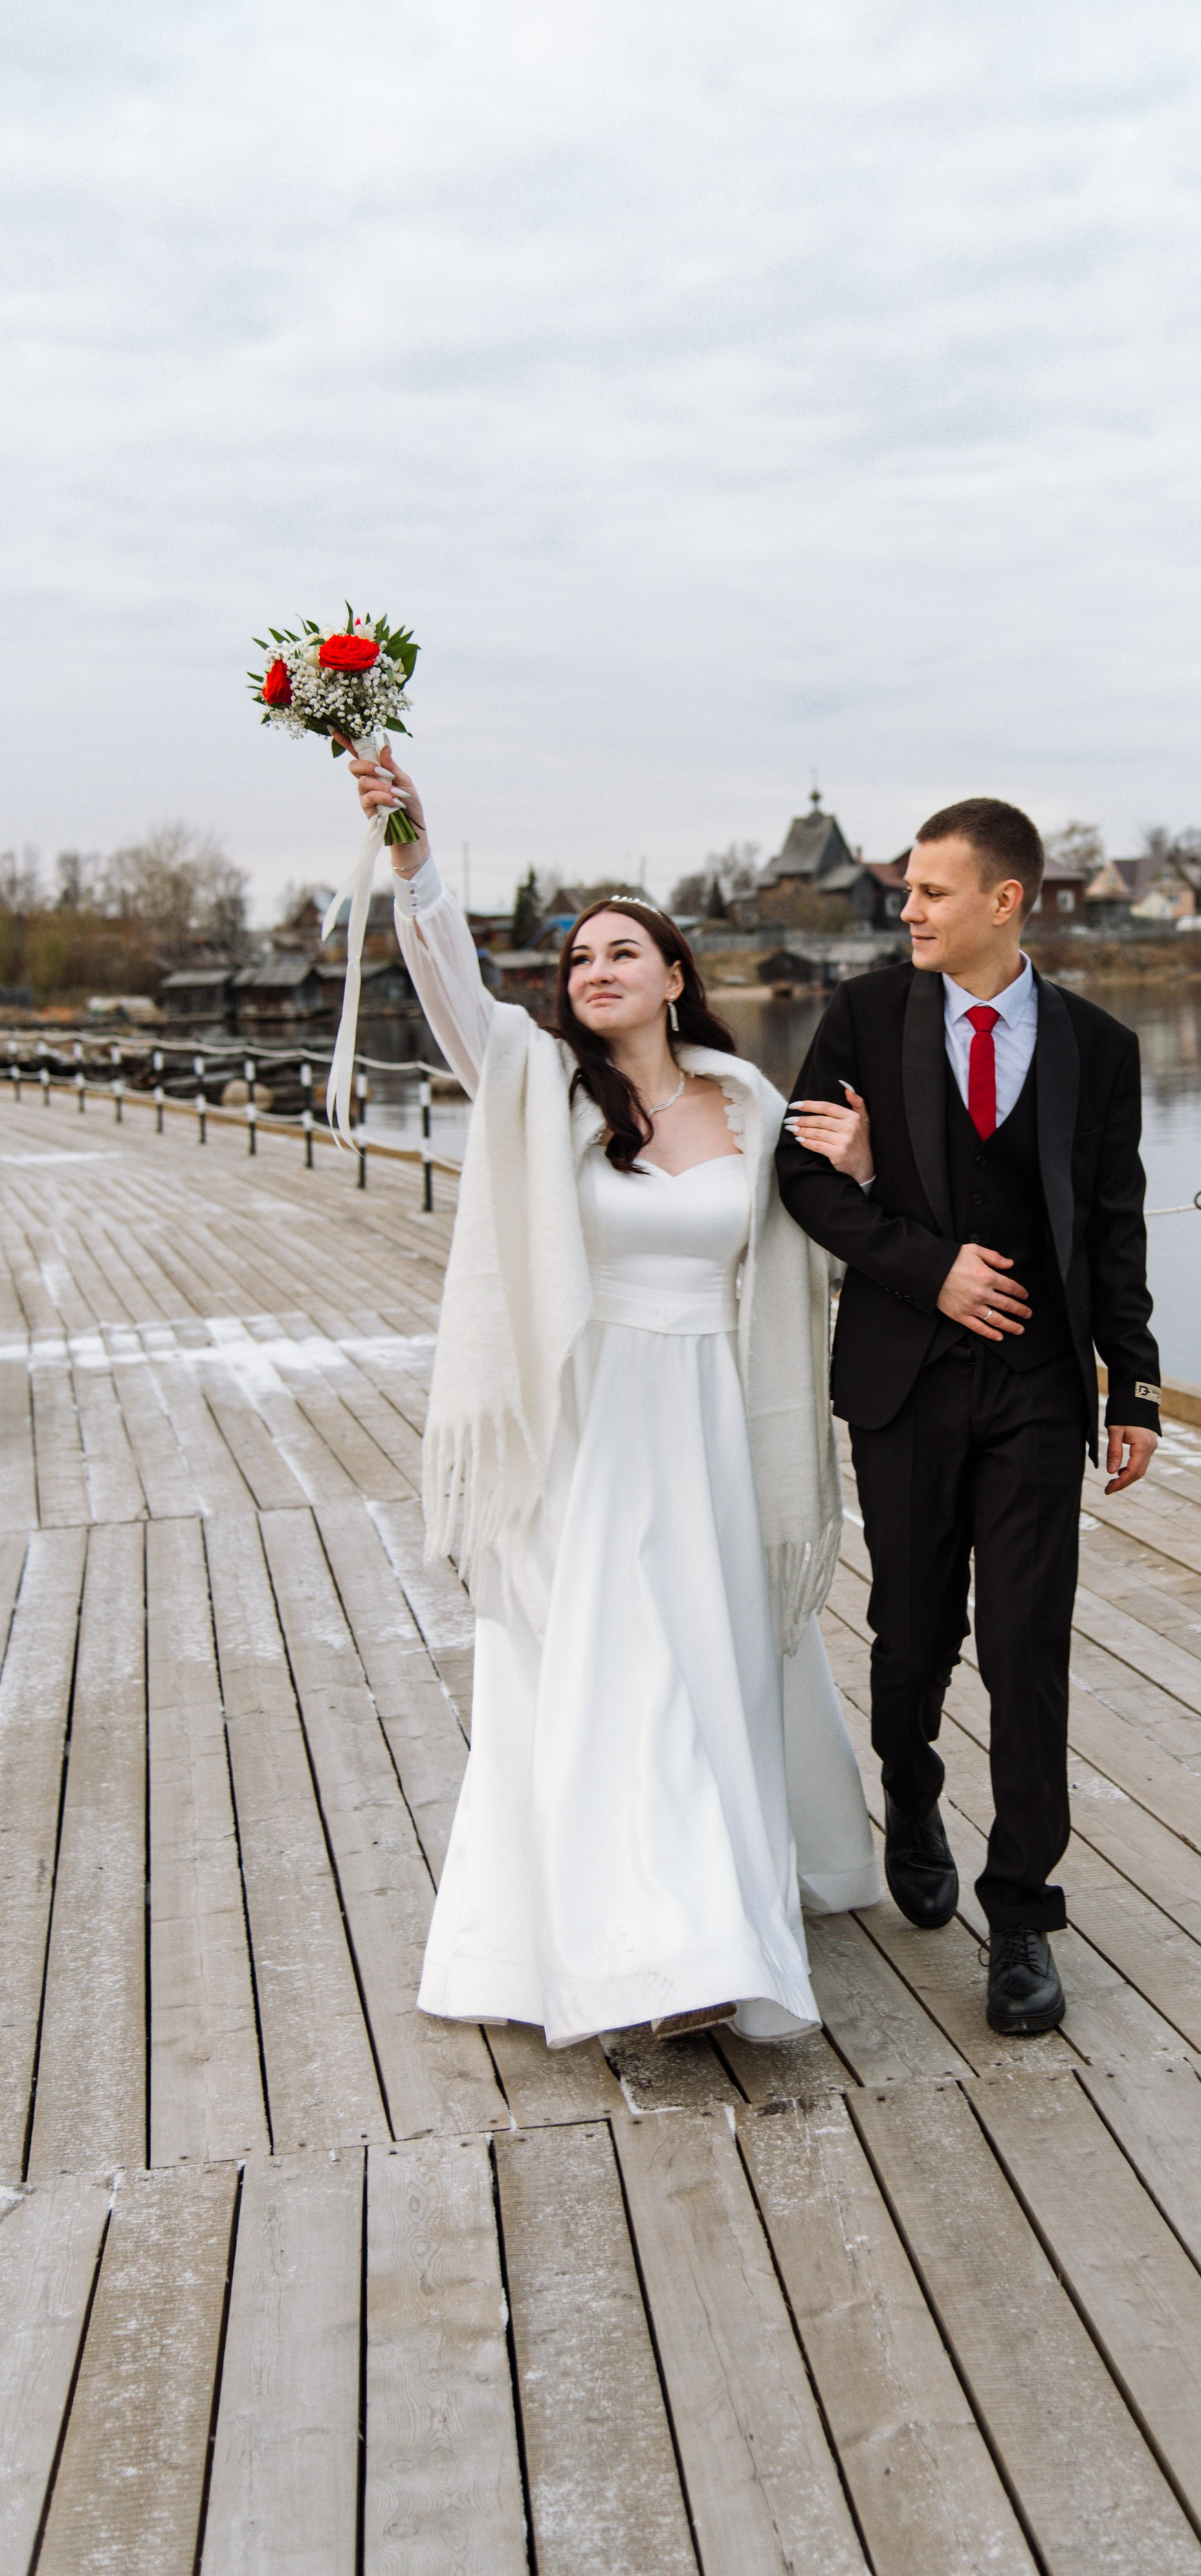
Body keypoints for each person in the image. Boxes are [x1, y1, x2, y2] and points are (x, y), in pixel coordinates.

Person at [345, 742, 880, 2049]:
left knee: (705, 1666)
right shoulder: (533, 1083)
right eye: (579, 959)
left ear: (674, 977)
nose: (595, 973)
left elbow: (815, 1243)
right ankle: (649, 1952)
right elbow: (449, 978)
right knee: (614, 1671)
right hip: (591, 1424)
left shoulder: (751, 1100)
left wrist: (860, 1172)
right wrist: (414, 850)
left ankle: (708, 1918)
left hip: (714, 1417)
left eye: (620, 954)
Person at [776, 798, 1161, 2035]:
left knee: (1028, 1644)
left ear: (1006, 902)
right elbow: (798, 1181)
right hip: (906, 1379)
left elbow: (1113, 1224)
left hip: (1043, 1386)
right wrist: (923, 1265)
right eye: (906, 892)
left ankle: (1024, 1915)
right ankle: (914, 1787)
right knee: (912, 1632)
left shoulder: (1099, 1048)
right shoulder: (863, 1018)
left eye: (932, 892)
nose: (909, 912)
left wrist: (1133, 1380)